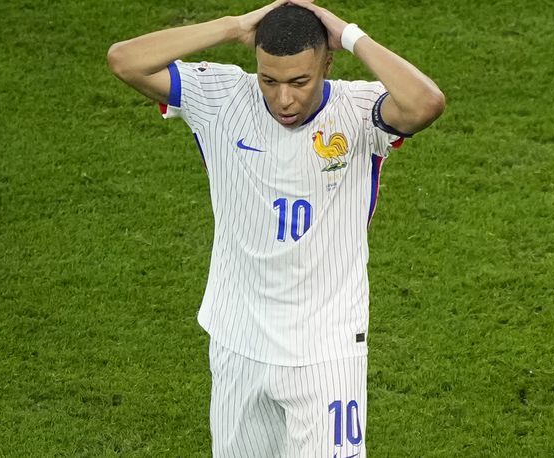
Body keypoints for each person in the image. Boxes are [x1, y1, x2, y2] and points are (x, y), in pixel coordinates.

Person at [107, 1, 444, 456]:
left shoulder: (361, 111)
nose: (284, 98)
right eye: (270, 80)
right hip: (238, 342)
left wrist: (347, 33)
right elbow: (124, 60)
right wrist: (235, 26)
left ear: (327, 61)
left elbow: (427, 102)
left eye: (299, 81)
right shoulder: (221, 97)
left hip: (326, 352)